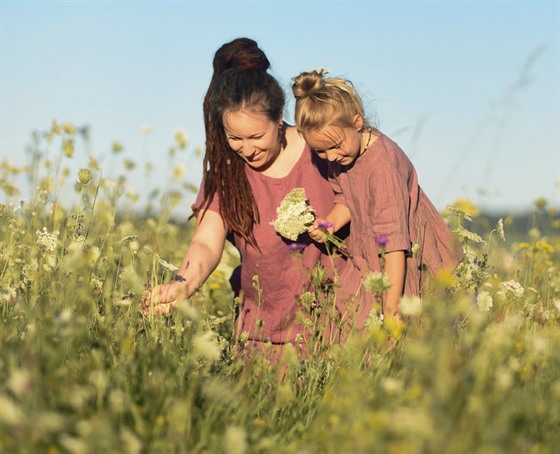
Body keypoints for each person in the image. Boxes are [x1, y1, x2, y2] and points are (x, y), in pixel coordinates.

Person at [142, 39, 347, 363]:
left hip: (336, 331)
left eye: (255, 137)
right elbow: (206, 243)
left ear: (279, 117)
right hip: (262, 337)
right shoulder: (227, 173)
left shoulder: (320, 149)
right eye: (234, 137)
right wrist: (181, 286)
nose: (246, 149)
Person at [291, 70, 464, 332]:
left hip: (405, 261)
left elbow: (395, 244)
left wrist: (392, 311)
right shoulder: (344, 156)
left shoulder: (382, 165)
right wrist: (330, 224)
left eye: (335, 146)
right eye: (320, 151)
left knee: (407, 340)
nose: (330, 156)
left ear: (357, 121)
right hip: (373, 258)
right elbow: (347, 198)